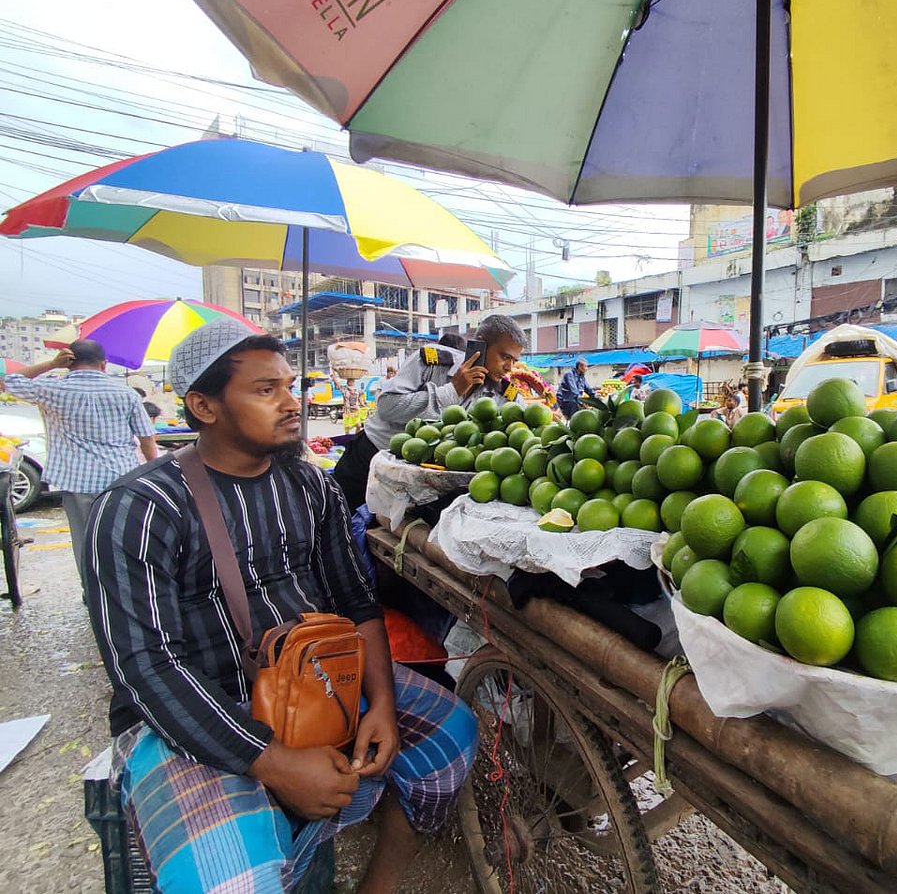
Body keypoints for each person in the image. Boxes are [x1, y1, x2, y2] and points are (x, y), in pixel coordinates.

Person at [83, 320, 477, 893]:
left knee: (452, 736)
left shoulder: (309, 485)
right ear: (204, 405)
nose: (292, 403)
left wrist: (382, 704)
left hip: (318, 677)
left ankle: (382, 876)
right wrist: (273, 761)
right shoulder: (139, 508)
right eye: (266, 390)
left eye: (289, 386)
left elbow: (356, 600)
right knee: (235, 882)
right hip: (197, 706)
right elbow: (146, 666)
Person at [334, 314, 527, 508]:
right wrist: (452, 391)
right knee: (340, 523)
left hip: (422, 483)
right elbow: (387, 407)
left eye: (514, 360)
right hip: (371, 459)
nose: (509, 368)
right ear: (481, 346)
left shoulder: (504, 395)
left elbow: (528, 424)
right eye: (505, 357)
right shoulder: (432, 361)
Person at [0, 340, 157, 576]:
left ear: (68, 364)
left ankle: (91, 592)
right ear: (104, 365)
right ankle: (122, 587)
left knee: (84, 540)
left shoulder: (52, 389)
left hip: (77, 483)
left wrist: (49, 364)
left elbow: (7, 382)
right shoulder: (126, 393)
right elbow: (147, 439)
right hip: (121, 479)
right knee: (122, 537)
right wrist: (153, 472)